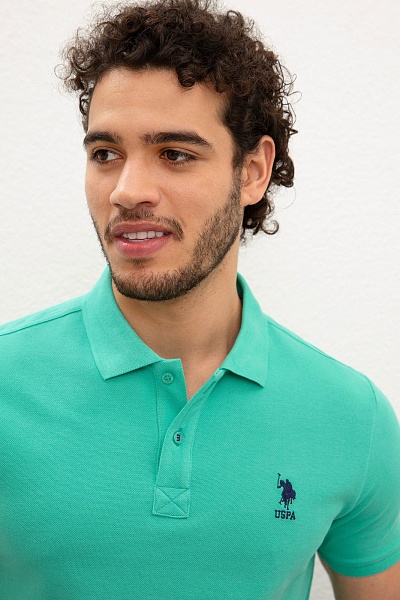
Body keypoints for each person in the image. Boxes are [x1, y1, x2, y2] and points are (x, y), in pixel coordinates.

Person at [0, 0, 399, 598]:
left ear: (252, 171)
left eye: (175, 154)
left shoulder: (352, 418)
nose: (127, 191)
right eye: (105, 154)